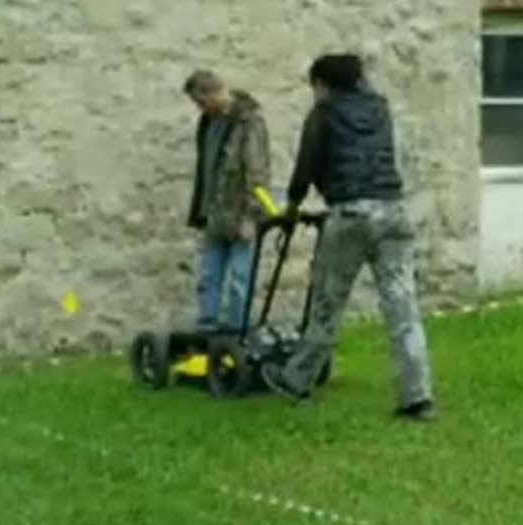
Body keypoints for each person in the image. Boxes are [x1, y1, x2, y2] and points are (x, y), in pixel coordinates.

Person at [262, 54, 435, 422]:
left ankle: (297, 380)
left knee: (328, 302)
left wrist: (291, 208)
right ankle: (417, 395)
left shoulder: (323, 114)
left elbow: (306, 166)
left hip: (350, 214)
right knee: (403, 308)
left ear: (323, 83)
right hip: (392, 211)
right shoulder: (381, 110)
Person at [182, 69, 272, 333]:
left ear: (213, 93)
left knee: (240, 278)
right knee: (209, 275)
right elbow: (206, 170)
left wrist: (252, 215)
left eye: (200, 102)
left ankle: (237, 329)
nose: (199, 108)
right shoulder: (208, 124)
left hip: (241, 212)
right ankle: (207, 327)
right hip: (215, 212)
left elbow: (256, 171)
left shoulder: (248, 123)